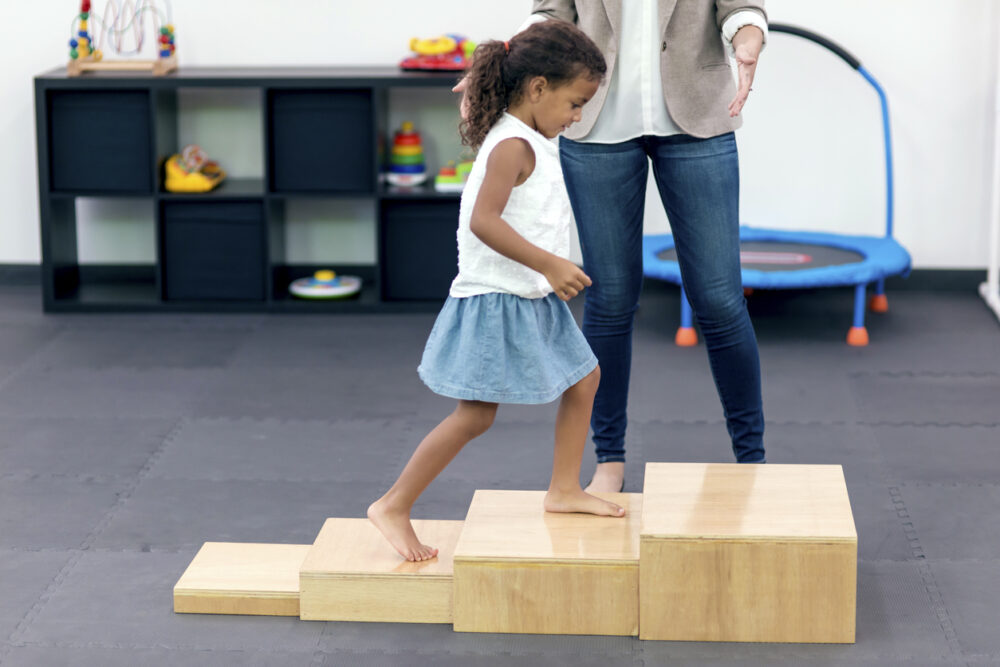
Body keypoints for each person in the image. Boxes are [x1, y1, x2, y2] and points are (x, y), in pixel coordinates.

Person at [456, 1, 769, 492]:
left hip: (698, 116)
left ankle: (752, 459)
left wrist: (748, 39)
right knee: (610, 297)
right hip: (596, 124)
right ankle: (610, 459)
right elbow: (551, 12)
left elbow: (741, 8)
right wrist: (500, 63)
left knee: (719, 300)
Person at [368, 20, 624, 563]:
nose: (578, 116)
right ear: (537, 89)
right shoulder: (511, 143)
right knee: (475, 416)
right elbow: (485, 221)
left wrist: (547, 271)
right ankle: (393, 504)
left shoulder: (524, 130)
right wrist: (551, 263)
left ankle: (563, 490)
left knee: (586, 378)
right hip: (496, 297)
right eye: (575, 103)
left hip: (528, 292)